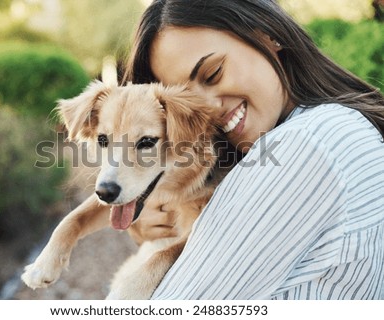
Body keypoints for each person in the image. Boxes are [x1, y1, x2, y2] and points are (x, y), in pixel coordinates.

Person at [123, 0, 384, 299]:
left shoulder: (309, 144)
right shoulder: (339, 126)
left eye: (213, 74)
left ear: (268, 35)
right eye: (186, 107)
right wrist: (168, 237)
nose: (206, 111)